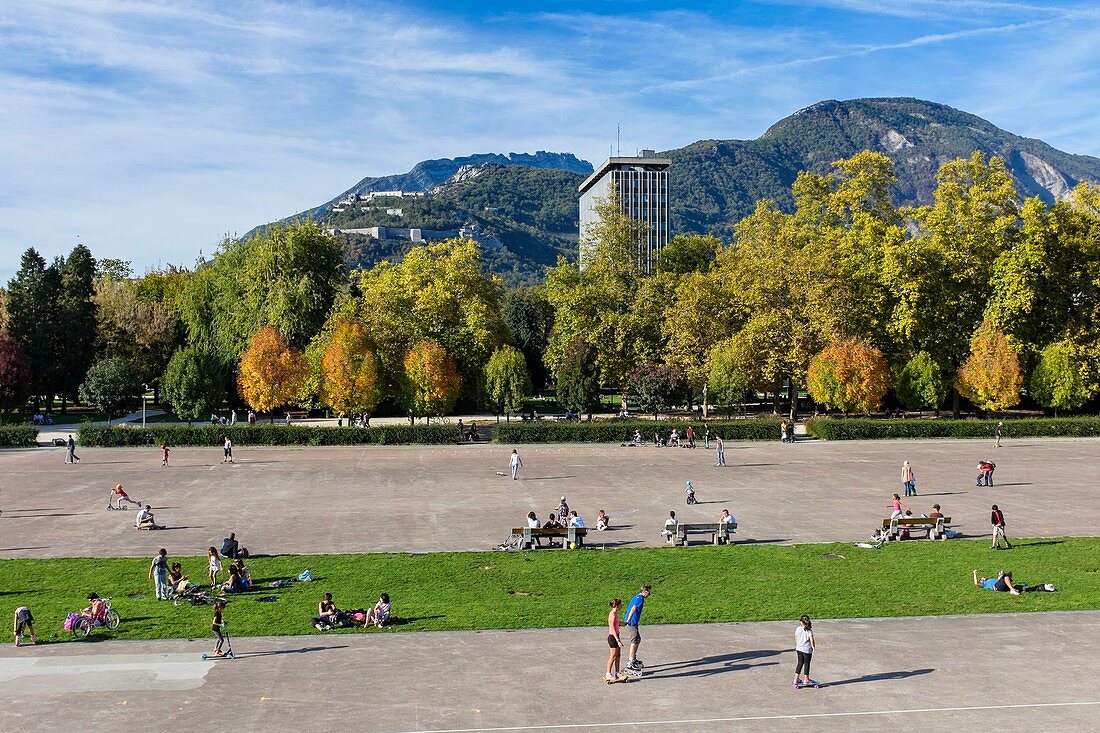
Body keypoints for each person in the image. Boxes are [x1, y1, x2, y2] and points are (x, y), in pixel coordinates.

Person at [624, 584, 651, 671]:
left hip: (632, 621)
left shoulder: (636, 597)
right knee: (635, 640)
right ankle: (630, 661)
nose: (649, 594)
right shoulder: (640, 598)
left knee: (638, 639)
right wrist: (629, 620)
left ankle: (633, 658)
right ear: (643, 592)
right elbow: (634, 608)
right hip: (632, 622)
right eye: (648, 592)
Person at [973, 569, 1055, 594]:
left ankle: (1046, 587)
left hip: (1004, 587)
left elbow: (1000, 581)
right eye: (982, 578)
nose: (983, 578)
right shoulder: (984, 584)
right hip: (997, 588)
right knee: (1006, 575)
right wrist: (974, 574)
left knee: (1025, 588)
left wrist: (1000, 576)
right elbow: (976, 583)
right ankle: (1012, 590)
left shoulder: (993, 580)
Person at [793, 615, 818, 688]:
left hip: (799, 648)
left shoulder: (798, 629)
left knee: (800, 663)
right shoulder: (809, 630)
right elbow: (812, 640)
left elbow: (796, 637)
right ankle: (806, 679)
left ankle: (796, 678)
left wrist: (798, 644)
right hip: (807, 650)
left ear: (801, 622)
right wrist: (813, 647)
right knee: (807, 663)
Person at [605, 598, 626, 683]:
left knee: (618, 656)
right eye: (620, 605)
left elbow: (617, 623)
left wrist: (623, 623)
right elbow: (612, 628)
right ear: (617, 606)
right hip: (613, 638)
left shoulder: (615, 614)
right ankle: (608, 673)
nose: (621, 606)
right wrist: (618, 640)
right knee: (613, 656)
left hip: (616, 636)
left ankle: (617, 672)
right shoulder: (613, 615)